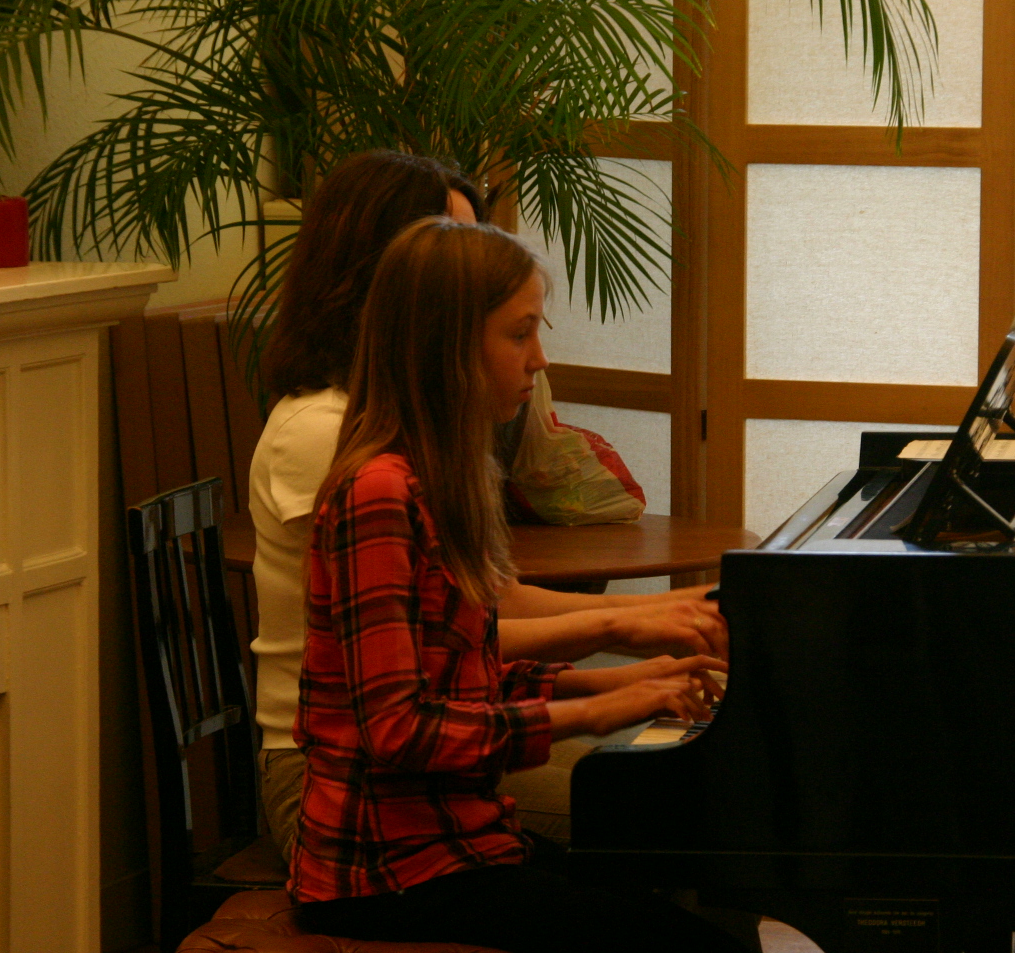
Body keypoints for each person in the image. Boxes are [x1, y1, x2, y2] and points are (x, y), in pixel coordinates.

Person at [290, 217, 749, 953]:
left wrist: (625, 681)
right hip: (388, 873)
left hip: (460, 845)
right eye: (519, 333)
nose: (539, 358)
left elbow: (467, 672)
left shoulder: (441, 477)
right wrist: (595, 712)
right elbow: (399, 729)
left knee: (697, 898)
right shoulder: (377, 493)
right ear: (446, 347)